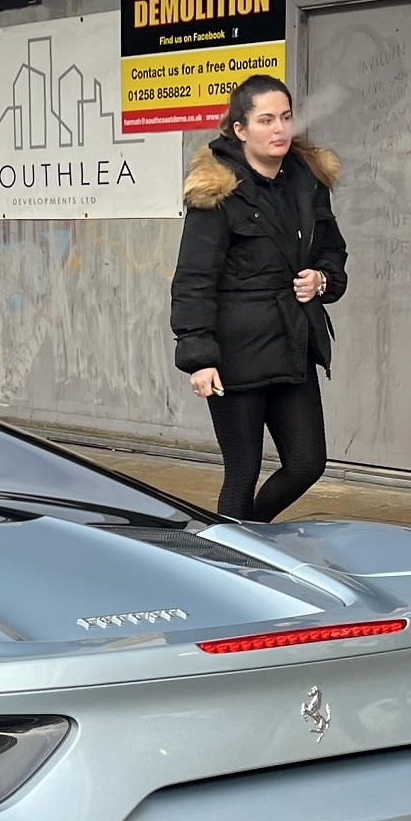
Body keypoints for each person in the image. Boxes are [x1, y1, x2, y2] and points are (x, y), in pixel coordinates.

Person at [169, 75, 348, 522]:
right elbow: (194, 278)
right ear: (240, 129)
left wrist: (322, 280)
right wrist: (199, 356)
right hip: (236, 354)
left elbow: (333, 251)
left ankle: (248, 534)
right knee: (243, 469)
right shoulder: (218, 191)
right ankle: (231, 559)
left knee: (307, 463)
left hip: (293, 344)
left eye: (285, 117)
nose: (279, 129)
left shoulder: (307, 180)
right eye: (266, 119)